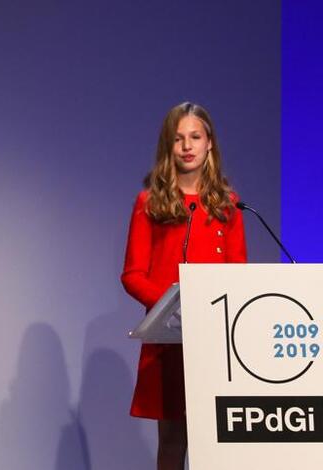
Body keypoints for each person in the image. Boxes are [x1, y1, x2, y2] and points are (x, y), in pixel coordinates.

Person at [121, 102, 247, 470]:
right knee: (173, 442)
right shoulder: (150, 203)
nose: (187, 146)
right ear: (168, 146)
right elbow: (132, 274)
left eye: (195, 137)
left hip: (216, 338)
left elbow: (238, 269)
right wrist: (170, 308)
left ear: (210, 144)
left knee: (218, 442)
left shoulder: (228, 205)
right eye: (178, 139)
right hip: (170, 339)